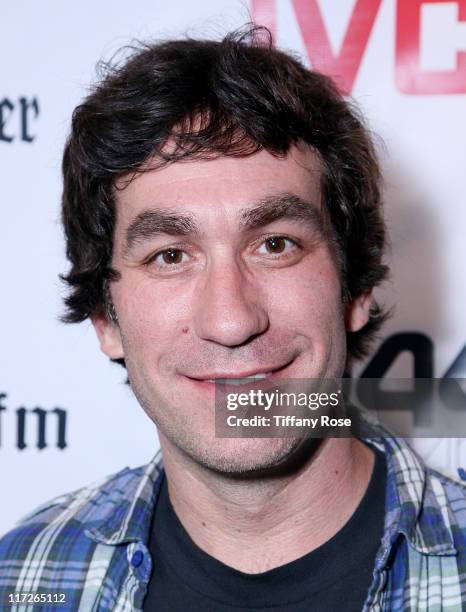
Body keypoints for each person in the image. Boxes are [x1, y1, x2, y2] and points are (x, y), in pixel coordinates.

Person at [1, 26, 465, 612]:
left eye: (275, 245)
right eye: (169, 256)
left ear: (355, 289)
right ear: (105, 318)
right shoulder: (26, 576)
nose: (230, 319)